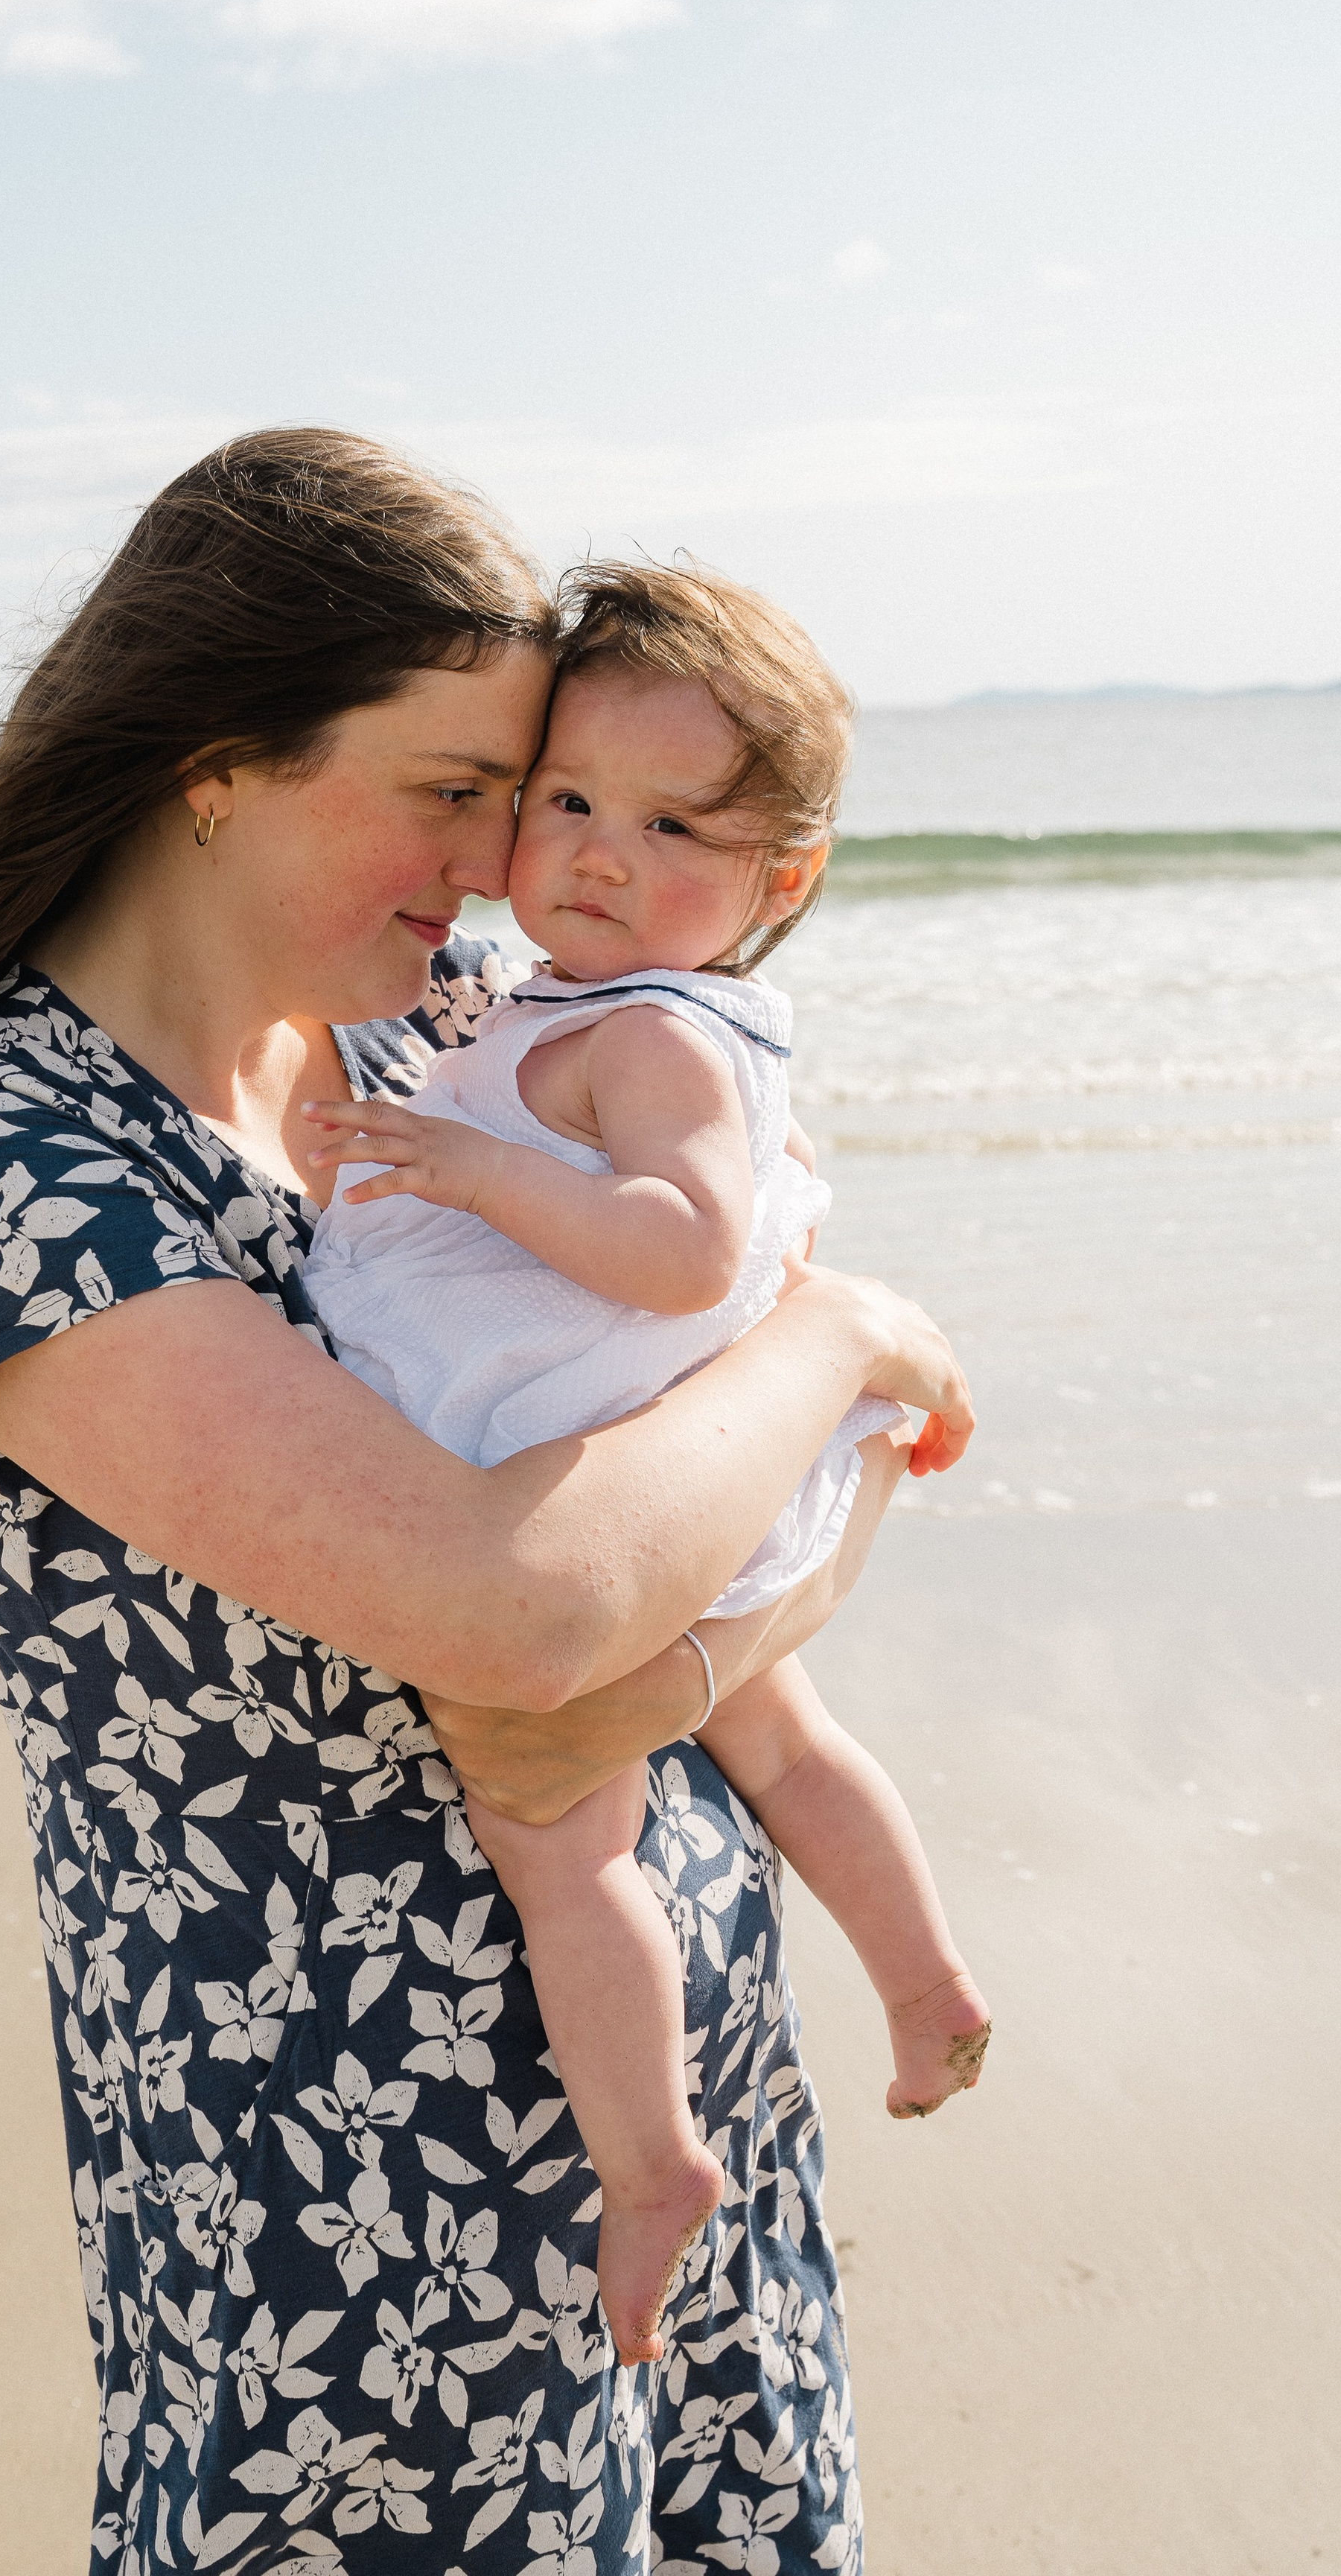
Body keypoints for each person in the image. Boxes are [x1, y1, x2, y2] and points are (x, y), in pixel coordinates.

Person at [0, 430, 972, 2576]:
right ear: (219, 763)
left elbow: (768, 1518)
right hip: (345, 2151)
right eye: (456, 790)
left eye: (523, 793)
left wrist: (678, 1668)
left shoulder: (443, 1041)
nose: (505, 862)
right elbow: (524, 1611)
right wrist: (845, 1336)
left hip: (671, 2057)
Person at [299, 562, 990, 2366]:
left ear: (784, 880)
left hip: (618, 1473)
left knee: (559, 1846)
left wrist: (476, 1174)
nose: (599, 856)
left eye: (672, 825)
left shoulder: (657, 1031)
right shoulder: (545, 1002)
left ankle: (651, 2158)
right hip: (663, 1465)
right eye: (567, 802)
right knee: (789, 1745)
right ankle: (923, 1986)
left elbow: (684, 1250)